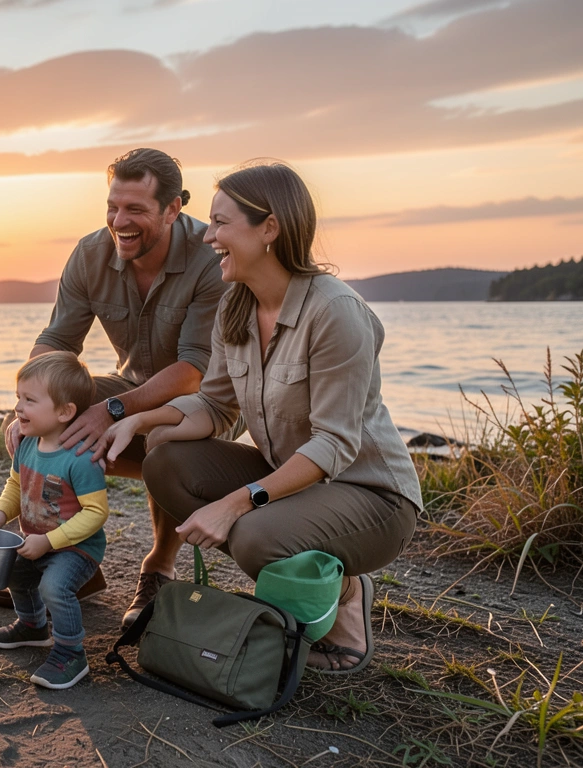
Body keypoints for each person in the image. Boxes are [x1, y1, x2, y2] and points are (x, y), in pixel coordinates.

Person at [103, 161, 421, 671]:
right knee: (163, 460)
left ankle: (344, 593)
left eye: (222, 223)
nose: (208, 236)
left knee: (253, 535)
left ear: (269, 228)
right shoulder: (236, 306)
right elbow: (214, 406)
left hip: (371, 497)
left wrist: (235, 505)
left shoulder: (336, 312)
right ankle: (298, 551)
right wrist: (141, 422)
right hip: (293, 485)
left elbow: (334, 445)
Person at [0, 148, 227, 626]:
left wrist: (112, 409)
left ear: (173, 208)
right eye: (112, 206)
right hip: (130, 386)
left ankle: (159, 566)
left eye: (135, 210)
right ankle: (63, 564)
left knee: (166, 443)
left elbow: (194, 368)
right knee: (52, 413)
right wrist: (25, 407)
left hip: (202, 405)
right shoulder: (91, 253)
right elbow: (56, 340)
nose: (119, 221)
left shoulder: (209, 258)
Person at [0, 352, 109, 689]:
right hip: (37, 541)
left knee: (54, 587)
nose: (18, 408)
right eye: (17, 398)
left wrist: (49, 542)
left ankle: (71, 652)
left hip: (76, 549)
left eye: (30, 400)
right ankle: (33, 626)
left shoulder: (80, 458)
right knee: (11, 571)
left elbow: (97, 513)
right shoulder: (26, 445)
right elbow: (15, 486)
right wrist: (1, 511)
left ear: (65, 412)